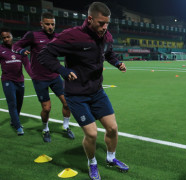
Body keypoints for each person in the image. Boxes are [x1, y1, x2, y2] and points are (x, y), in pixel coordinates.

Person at [37, 2, 129, 179]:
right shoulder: (71, 36)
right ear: (89, 19)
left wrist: (117, 63)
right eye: (101, 23)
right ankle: (92, 162)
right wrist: (62, 70)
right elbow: (45, 55)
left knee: (112, 128)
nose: (105, 27)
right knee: (92, 133)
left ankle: (111, 158)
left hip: (97, 92)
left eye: (107, 23)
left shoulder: (106, 36)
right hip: (76, 95)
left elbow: (108, 53)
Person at [12, 12, 74, 142]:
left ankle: (66, 126)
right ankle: (45, 129)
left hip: (55, 76)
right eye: (47, 24)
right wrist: (22, 51)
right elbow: (16, 46)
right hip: (40, 78)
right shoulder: (33, 35)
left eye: (52, 24)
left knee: (67, 103)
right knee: (46, 108)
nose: (50, 26)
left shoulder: (58, 37)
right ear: (41, 24)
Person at [0, 28, 32, 135]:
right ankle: (18, 126)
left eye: (8, 37)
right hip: (7, 80)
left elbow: (27, 65)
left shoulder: (19, 49)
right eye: (4, 38)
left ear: (12, 37)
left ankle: (14, 120)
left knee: (19, 103)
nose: (6, 39)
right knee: (12, 103)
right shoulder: (0, 49)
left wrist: (33, 76)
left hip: (20, 80)